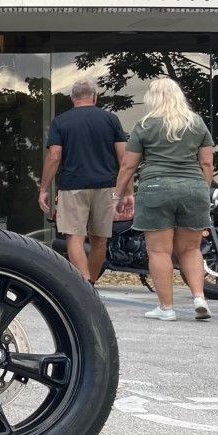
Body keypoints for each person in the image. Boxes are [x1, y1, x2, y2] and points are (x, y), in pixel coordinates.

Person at [115, 77, 216, 321]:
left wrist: (119, 194)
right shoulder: (196, 123)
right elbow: (207, 162)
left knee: (159, 251)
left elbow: (128, 165)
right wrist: (204, 189)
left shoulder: (145, 125)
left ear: (152, 99)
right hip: (193, 187)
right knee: (191, 249)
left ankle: (167, 307)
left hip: (156, 188)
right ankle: (199, 297)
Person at [39, 79, 127, 283]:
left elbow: (54, 156)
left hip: (72, 186)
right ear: (95, 97)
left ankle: (84, 282)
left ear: (72, 99)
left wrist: (44, 188)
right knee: (100, 240)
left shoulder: (60, 122)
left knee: (74, 238)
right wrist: (126, 191)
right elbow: (124, 158)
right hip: (105, 186)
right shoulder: (111, 119)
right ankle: (91, 283)